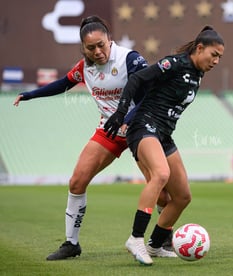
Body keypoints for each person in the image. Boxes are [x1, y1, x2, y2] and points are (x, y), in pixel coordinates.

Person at [13, 15, 171, 260]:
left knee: (162, 192)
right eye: (91, 48)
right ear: (83, 48)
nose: (97, 52)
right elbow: (62, 84)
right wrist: (30, 95)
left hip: (140, 129)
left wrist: (126, 120)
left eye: (101, 45)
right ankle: (71, 244)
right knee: (77, 181)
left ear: (110, 40)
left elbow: (149, 95)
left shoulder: (130, 59)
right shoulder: (84, 67)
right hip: (108, 132)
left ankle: (163, 241)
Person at [104, 26, 225, 265]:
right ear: (199, 48)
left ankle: (156, 245)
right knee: (161, 174)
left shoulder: (198, 73)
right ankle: (136, 238)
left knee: (182, 196)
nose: (217, 61)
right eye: (214, 54)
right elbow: (138, 79)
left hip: (164, 135)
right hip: (143, 126)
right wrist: (120, 114)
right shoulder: (175, 64)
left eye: (220, 57)